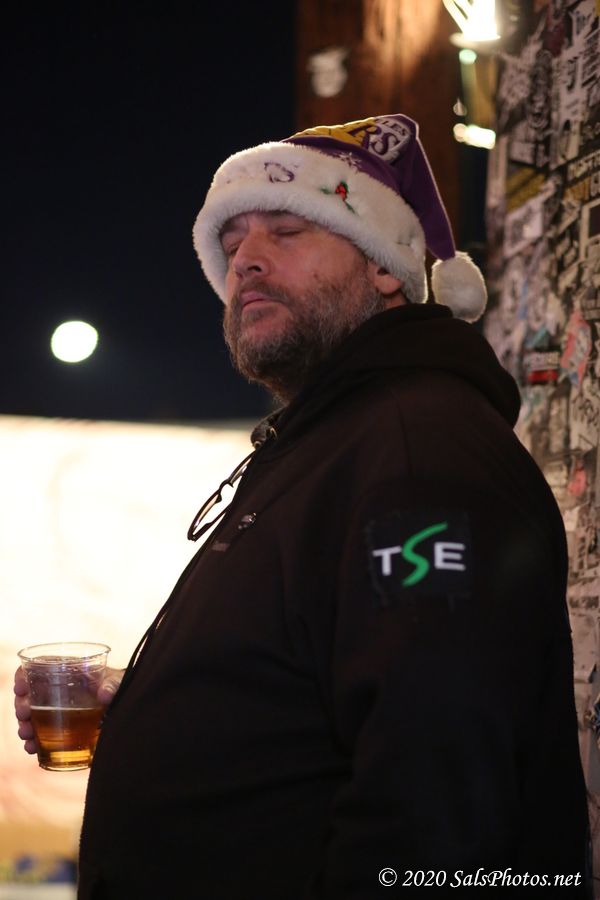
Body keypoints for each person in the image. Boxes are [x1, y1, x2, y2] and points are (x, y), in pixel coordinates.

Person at [15, 114, 590, 898]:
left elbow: (439, 783)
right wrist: (155, 703)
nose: (245, 260)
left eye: (286, 230)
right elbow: (314, 693)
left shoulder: (417, 452)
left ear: (384, 266)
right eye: (230, 246)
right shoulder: (336, 441)